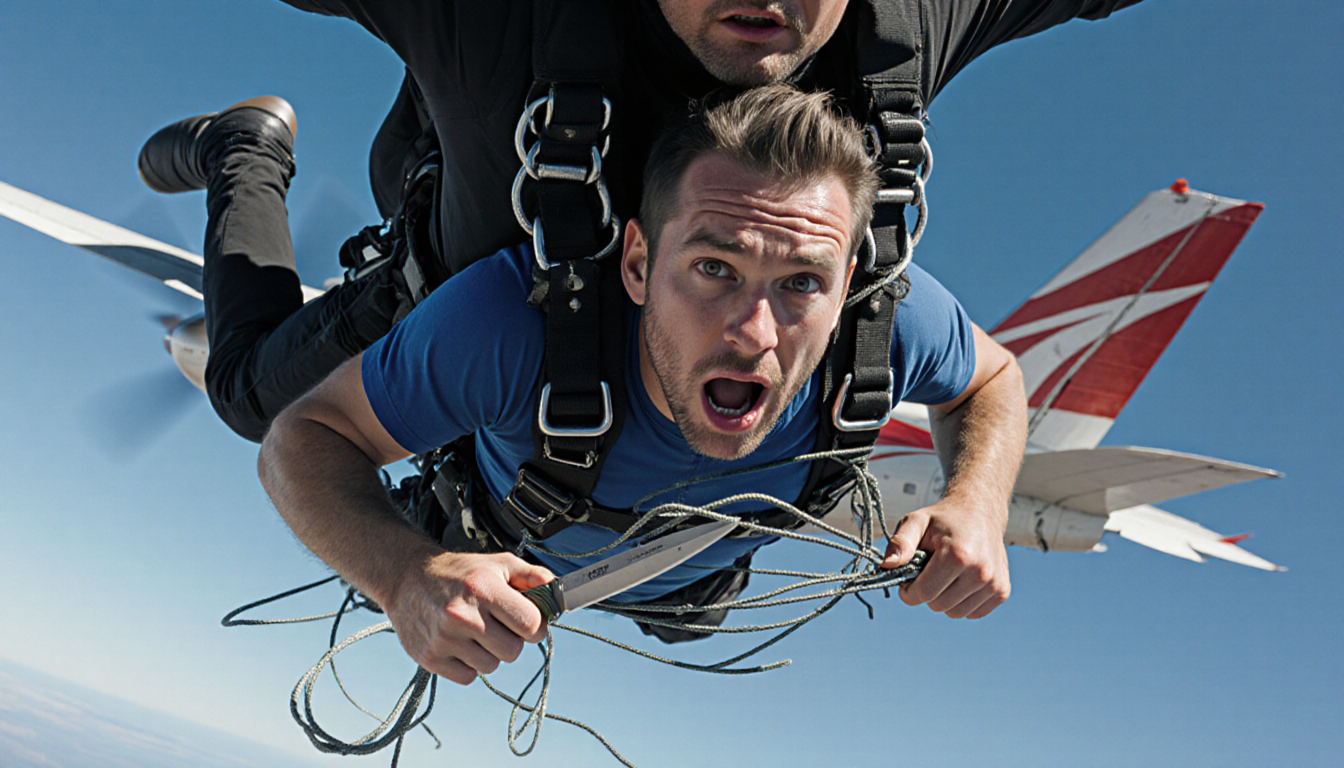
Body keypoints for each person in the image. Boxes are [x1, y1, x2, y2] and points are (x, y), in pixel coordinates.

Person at [257, 86, 1027, 684]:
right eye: (714, 269)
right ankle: (247, 160)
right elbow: (303, 436)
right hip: (497, 544)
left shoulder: (889, 326)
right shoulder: (510, 325)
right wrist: (403, 574)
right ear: (635, 264)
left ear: (846, 284)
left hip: (692, 587)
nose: (755, 331)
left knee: (688, 617)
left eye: (800, 283)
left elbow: (992, 375)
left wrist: (978, 500)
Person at [139, 0, 1142, 444]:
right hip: (455, 277)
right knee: (250, 396)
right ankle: (248, 151)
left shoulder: (906, 18)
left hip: (656, 425)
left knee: (691, 603)